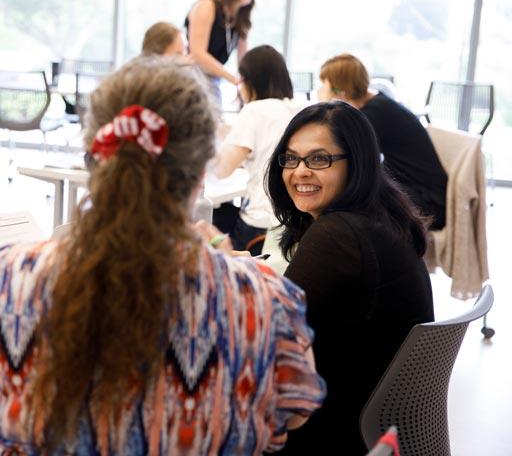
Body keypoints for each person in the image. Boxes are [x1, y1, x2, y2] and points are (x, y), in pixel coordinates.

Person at [0, 56, 325, 454]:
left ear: (94, 158)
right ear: (202, 171)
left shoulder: (11, 279)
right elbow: (295, 411)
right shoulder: (265, 300)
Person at [266, 101, 435, 454]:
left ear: (355, 163)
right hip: (373, 421)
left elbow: (266, 329)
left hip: (332, 427)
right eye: (291, 158)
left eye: (318, 159)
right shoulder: (380, 216)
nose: (299, 172)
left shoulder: (339, 234)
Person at [318, 53, 448, 230]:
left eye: (323, 85)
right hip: (418, 192)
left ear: (341, 91)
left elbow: (338, 150)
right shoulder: (378, 104)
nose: (319, 90)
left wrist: (325, 106)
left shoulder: (374, 115)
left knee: (351, 199)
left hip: (427, 203)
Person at [213, 45, 302, 254]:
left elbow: (221, 169)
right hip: (291, 221)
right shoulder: (296, 109)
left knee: (213, 224)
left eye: (240, 81)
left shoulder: (254, 110)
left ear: (252, 81)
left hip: (260, 225)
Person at [185, 0, 257, 104]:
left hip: (213, 79)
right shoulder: (207, 5)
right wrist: (234, 79)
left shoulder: (241, 17)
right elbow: (197, 54)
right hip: (191, 76)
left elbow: (243, 59)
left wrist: (245, 84)